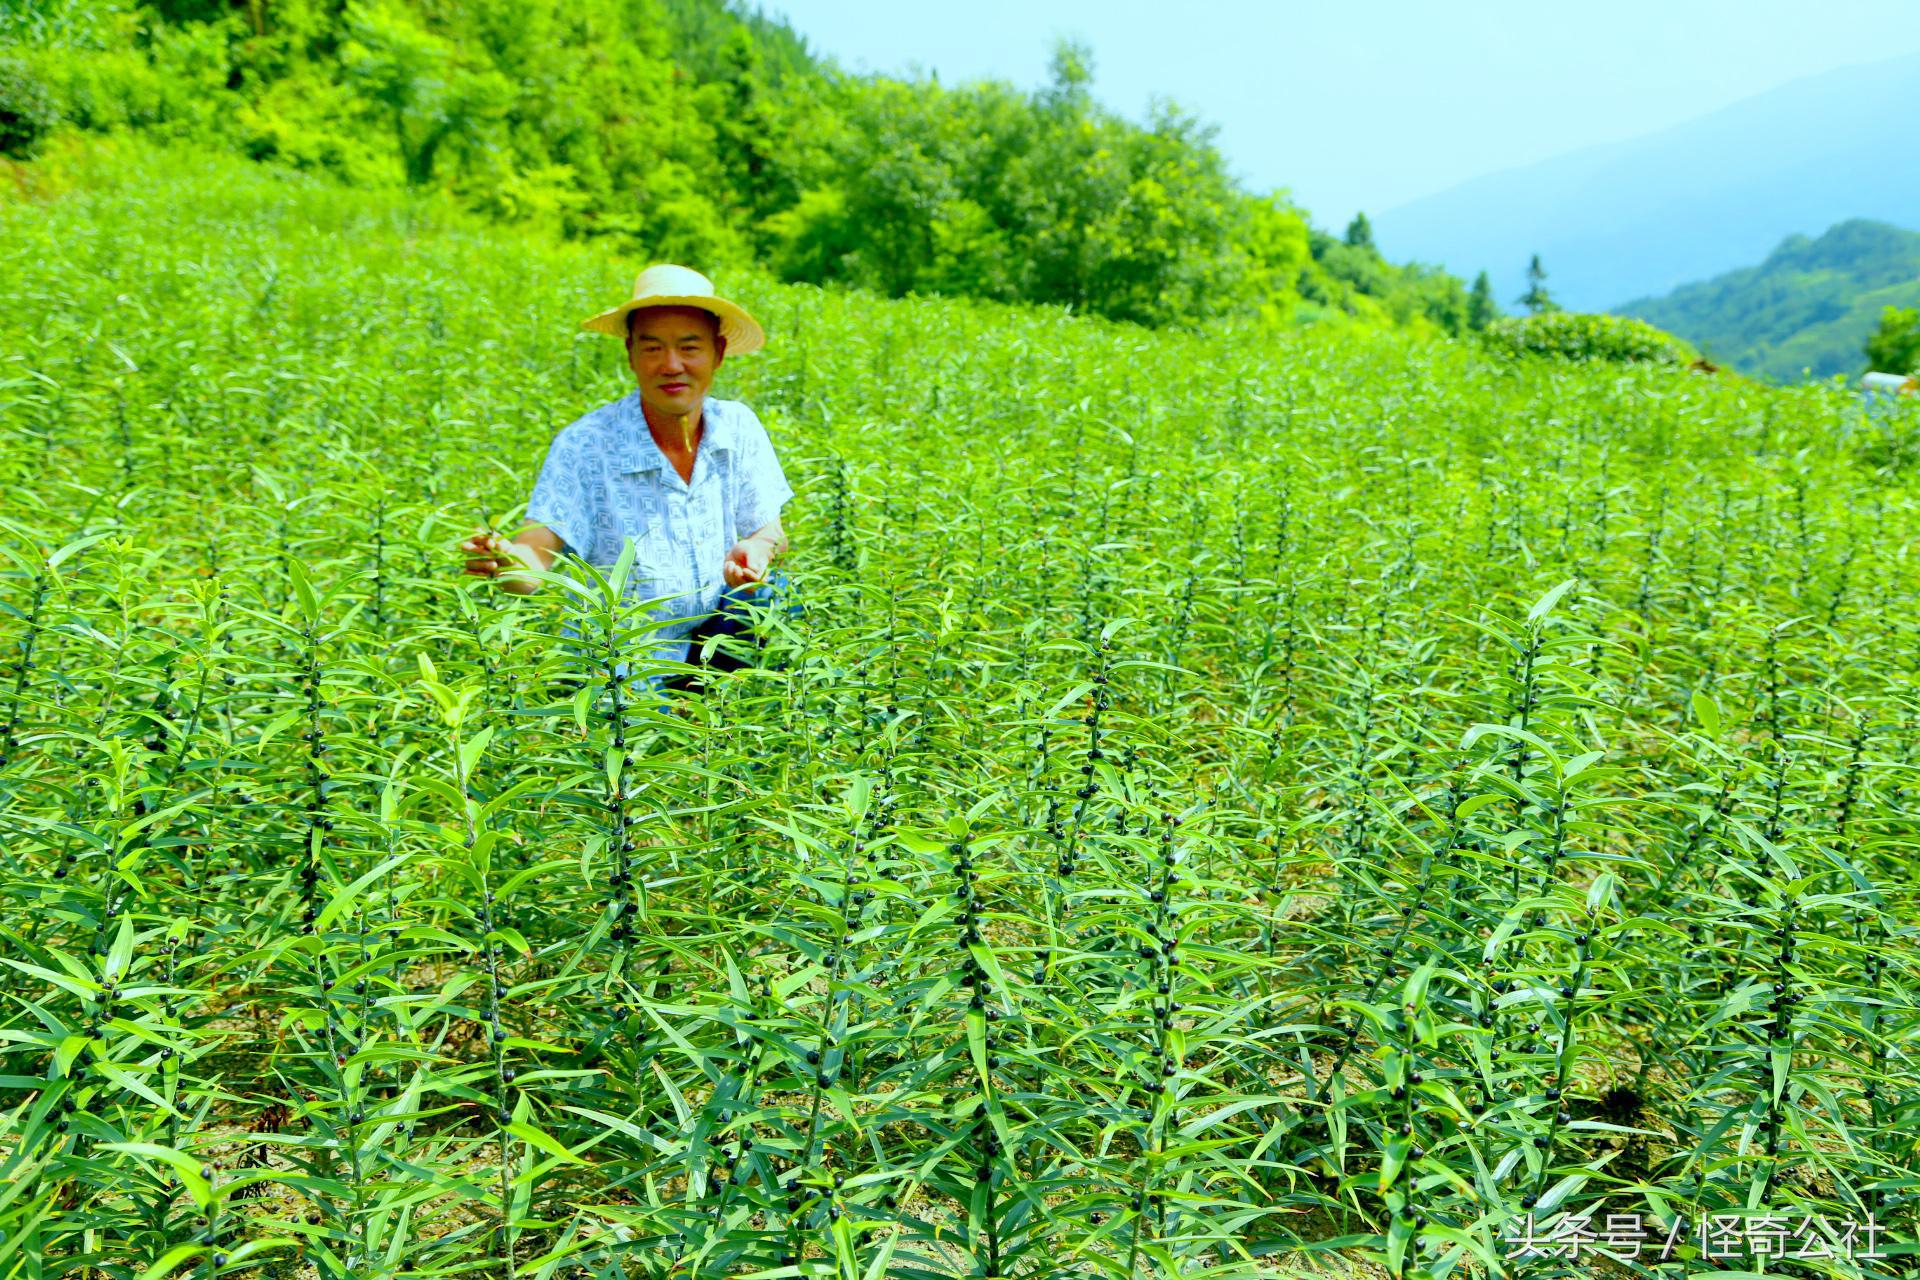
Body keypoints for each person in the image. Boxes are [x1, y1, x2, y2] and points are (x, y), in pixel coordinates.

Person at [459, 263, 800, 696]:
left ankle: (739, 708)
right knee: (634, 733)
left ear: (718, 351)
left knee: (777, 596)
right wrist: (504, 560)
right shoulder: (586, 445)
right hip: (627, 661)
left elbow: (770, 532)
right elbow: (535, 562)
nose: (671, 365)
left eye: (689, 347)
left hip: (721, 639)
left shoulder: (738, 428)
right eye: (653, 348)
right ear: (630, 354)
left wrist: (758, 549)